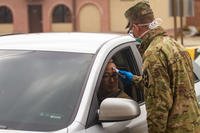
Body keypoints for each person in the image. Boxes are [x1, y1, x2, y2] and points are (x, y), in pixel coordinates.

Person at [118, 1, 200, 133]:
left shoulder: (153, 54)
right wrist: (134, 79)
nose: (132, 32)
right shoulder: (174, 44)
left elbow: (159, 104)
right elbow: (171, 86)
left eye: (131, 29)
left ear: (136, 27)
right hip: (192, 125)